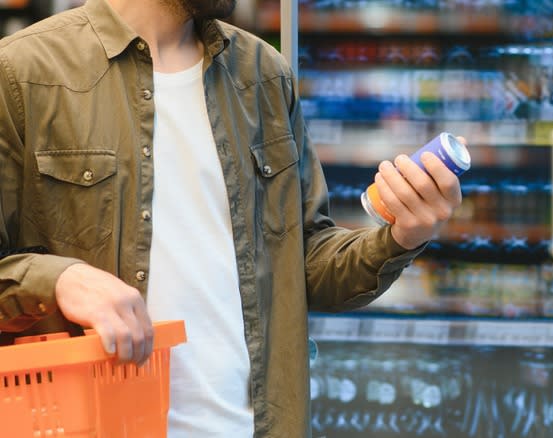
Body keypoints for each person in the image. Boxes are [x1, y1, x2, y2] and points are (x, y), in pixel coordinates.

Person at [0, 0, 463, 436]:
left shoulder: (263, 74)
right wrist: (61, 280)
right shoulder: (23, 74)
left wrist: (403, 234)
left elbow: (303, 265)